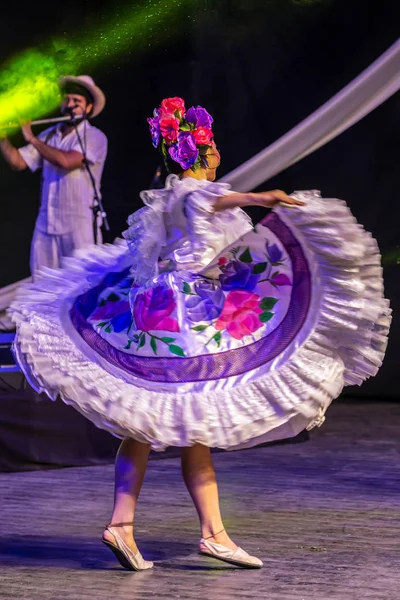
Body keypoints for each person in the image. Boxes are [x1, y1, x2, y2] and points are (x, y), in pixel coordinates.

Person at [10, 97, 391, 571]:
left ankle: (149, 527)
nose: (218, 157)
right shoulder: (193, 191)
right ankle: (196, 532)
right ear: (201, 153)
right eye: (213, 150)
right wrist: (263, 198)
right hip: (187, 319)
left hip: (162, 310)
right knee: (183, 419)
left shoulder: (168, 195)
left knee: (153, 425)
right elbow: (216, 200)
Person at [0, 75, 107, 277]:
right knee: (43, 288)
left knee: (82, 285)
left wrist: (31, 137)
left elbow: (66, 161)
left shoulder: (95, 136)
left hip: (79, 225)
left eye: (77, 101)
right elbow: (18, 162)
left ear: (89, 108)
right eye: (67, 99)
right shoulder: (49, 136)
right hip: (46, 225)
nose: (71, 105)